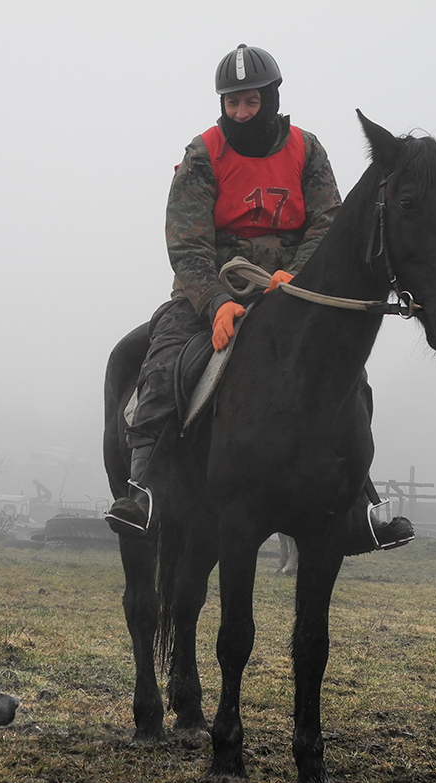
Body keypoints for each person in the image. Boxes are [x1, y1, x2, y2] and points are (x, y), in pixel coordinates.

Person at [105, 43, 341, 537]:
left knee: (343, 367)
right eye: (232, 103)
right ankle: (141, 489)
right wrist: (215, 302)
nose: (241, 112)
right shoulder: (202, 154)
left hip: (290, 292)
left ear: (271, 99)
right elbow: (186, 244)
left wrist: (296, 274)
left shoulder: (308, 150)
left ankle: (357, 502)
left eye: (251, 101)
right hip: (210, 290)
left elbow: (328, 222)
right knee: (164, 361)